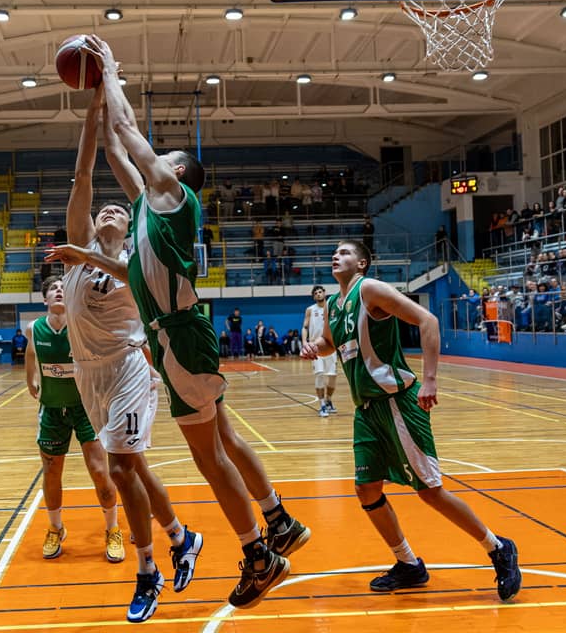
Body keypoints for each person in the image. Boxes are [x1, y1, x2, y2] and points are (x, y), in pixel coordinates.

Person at [85, 34, 308, 609]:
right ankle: (278, 521)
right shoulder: (147, 206)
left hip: (180, 339)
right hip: (178, 340)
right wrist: (98, 104)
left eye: (165, 157)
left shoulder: (173, 196)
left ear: (178, 173)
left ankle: (259, 555)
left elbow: (129, 130)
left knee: (209, 457)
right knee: (223, 438)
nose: (156, 159)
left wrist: (110, 70)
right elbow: (115, 148)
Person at [43, 87, 205, 623]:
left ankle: (146, 570)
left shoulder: (138, 258)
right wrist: (91, 111)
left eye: (120, 209)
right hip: (88, 374)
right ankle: (181, 537)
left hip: (129, 367)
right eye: (104, 209)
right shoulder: (78, 250)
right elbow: (84, 175)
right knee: (131, 464)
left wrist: (87, 253)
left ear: (128, 226)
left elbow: (129, 274)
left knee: (117, 465)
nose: (110, 209)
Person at [301, 240, 522, 601]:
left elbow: (427, 320)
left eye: (344, 252)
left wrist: (430, 379)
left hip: (397, 402)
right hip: (366, 410)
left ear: (362, 263)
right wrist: (316, 347)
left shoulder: (370, 290)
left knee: (430, 491)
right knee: (367, 489)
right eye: (334, 253)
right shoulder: (334, 306)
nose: (335, 256)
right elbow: (329, 341)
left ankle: (498, 547)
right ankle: (408, 564)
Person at [25, 277, 123, 567]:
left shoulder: (82, 325)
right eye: (52, 289)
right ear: (45, 299)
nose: (58, 291)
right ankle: (56, 528)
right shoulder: (34, 329)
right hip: (52, 410)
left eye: (62, 288)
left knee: (99, 471)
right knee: (52, 472)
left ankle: (112, 529)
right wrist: (30, 380)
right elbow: (31, 354)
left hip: (86, 408)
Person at [303, 285, 338, 417]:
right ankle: (322, 405)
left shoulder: (332, 307)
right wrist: (304, 343)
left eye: (320, 292)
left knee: (332, 375)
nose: (318, 294)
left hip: (331, 346)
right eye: (316, 293)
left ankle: (328, 400)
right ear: (314, 297)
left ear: (324, 293)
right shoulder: (310, 310)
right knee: (319, 375)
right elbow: (305, 327)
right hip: (315, 347)